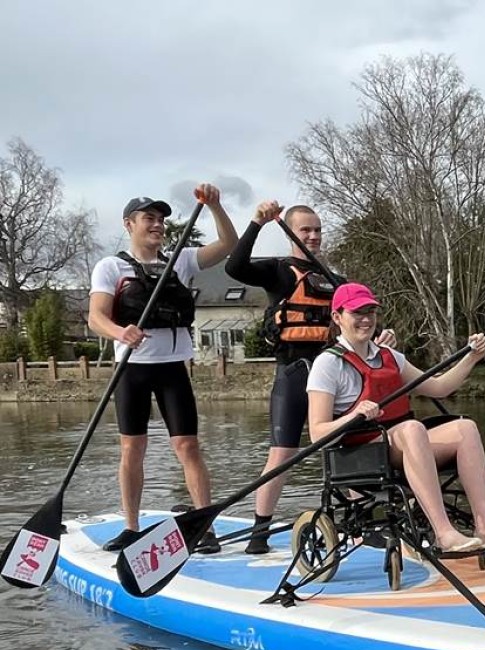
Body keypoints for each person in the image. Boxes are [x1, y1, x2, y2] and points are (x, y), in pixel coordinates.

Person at [306, 283, 485, 553]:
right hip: (359, 453)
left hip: (399, 444)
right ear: (337, 317)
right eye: (357, 313)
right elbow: (317, 433)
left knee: (465, 428)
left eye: (370, 312)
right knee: (412, 429)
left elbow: (440, 387)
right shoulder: (328, 364)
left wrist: (471, 358)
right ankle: (444, 533)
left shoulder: (390, 357)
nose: (366, 319)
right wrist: (355, 415)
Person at [225, 201, 394, 554]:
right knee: (283, 454)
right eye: (306, 230)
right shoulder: (278, 271)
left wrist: (377, 340)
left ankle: (358, 525)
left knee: (345, 446)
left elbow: (356, 326)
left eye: (318, 230)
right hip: (293, 374)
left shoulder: (336, 282)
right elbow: (235, 267)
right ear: (292, 232)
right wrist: (257, 222)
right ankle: (259, 532)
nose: (313, 236)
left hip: (332, 375)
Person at [88, 185, 237, 553]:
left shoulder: (181, 260)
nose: (157, 225)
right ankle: (131, 527)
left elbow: (228, 244)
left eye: (161, 219)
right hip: (132, 369)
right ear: (129, 224)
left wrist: (215, 206)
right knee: (132, 448)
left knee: (188, 446)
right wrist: (120, 332)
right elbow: (95, 318)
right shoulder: (111, 267)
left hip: (173, 368)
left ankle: (204, 526)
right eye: (149, 218)